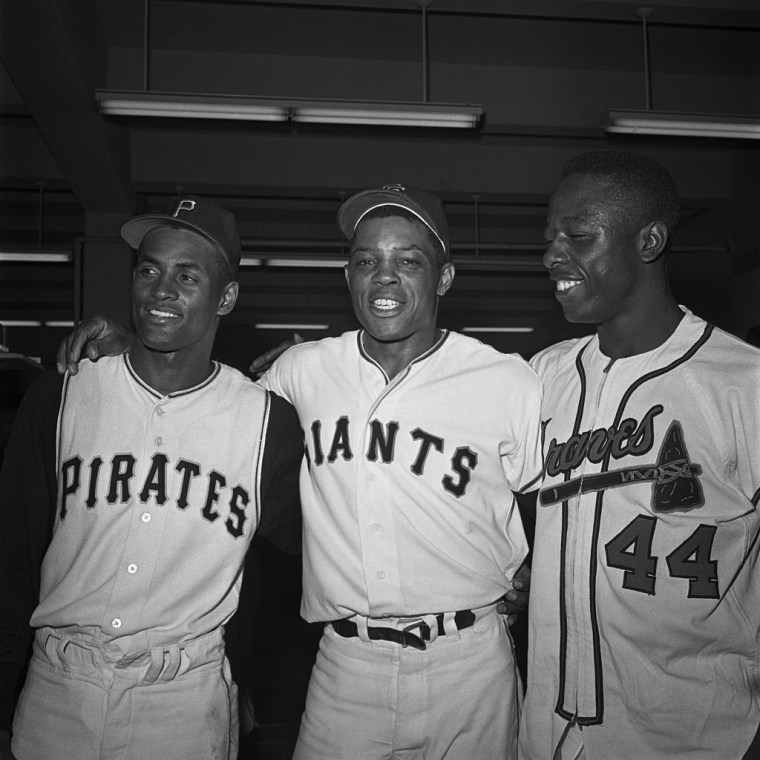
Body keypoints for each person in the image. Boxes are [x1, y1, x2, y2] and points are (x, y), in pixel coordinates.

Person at [51, 184, 544, 759]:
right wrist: (137, 344)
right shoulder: (302, 371)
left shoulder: (507, 381)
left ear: (444, 277)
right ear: (348, 275)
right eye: (366, 261)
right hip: (345, 664)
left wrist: (532, 571)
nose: (383, 277)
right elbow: (207, 408)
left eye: (407, 261)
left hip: (471, 662)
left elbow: (545, 503)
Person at [0, 196, 303, 760]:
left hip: (183, 701)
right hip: (56, 691)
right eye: (149, 269)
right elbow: (12, 553)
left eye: (188, 276)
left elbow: (312, 553)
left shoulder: (267, 421)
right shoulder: (62, 395)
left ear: (226, 296)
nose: (162, 289)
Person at [519, 151, 760, 760]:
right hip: (547, 731)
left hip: (696, 737)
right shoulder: (541, 377)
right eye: (550, 238)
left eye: (578, 235)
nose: (553, 254)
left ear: (649, 240)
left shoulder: (744, 384)